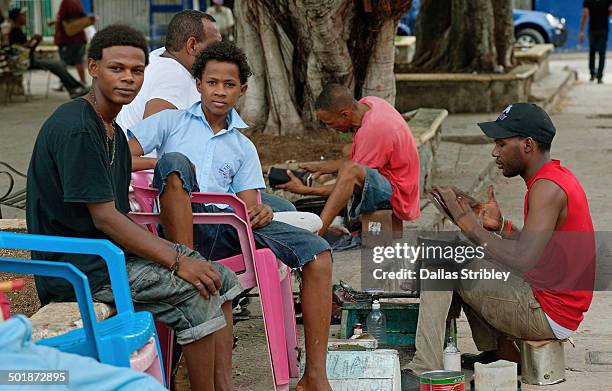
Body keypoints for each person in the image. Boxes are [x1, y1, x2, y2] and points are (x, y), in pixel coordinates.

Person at [25, 25, 242, 391]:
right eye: (117, 68)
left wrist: (177, 255)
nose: (128, 78)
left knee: (219, 277)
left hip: (109, 259)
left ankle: (219, 383)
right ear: (93, 67)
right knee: (198, 287)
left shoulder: (112, 130)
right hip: (80, 270)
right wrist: (176, 260)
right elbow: (106, 217)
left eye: (137, 70)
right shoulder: (78, 128)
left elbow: (121, 214)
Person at [127, 41, 333, 391]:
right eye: (212, 83)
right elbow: (123, 159)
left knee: (319, 253)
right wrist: (164, 163)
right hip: (179, 225)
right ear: (198, 84)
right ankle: (189, 271)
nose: (219, 92)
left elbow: (247, 205)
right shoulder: (169, 122)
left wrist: (262, 210)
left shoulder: (242, 146)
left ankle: (314, 376)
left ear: (242, 90)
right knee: (175, 163)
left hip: (226, 226)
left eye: (228, 85)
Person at [404, 103, 595, 374]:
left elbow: (524, 259)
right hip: (550, 302)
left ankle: (425, 368)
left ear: (528, 145)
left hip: (548, 312)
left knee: (443, 261)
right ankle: (500, 351)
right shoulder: (552, 178)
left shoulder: (547, 188)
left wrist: (469, 223)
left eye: (501, 144)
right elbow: (540, 248)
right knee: (461, 247)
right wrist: (500, 226)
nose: (495, 152)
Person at [117, 9, 295, 213]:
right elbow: (157, 137)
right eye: (214, 45)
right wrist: (169, 166)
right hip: (165, 187)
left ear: (242, 90)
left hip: (187, 182)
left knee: (275, 208)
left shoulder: (160, 57)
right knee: (283, 209)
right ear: (192, 45)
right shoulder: (173, 78)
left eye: (229, 85)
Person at [278, 83, 421, 235]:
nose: (329, 128)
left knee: (350, 171)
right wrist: (323, 167)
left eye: (330, 123)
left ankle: (317, 234)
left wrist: (305, 190)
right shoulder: (370, 103)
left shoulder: (373, 129)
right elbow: (358, 159)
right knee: (348, 152)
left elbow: (349, 181)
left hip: (399, 196)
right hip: (399, 181)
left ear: (345, 114)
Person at [7, 7, 87, 99]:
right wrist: (32, 40)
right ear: (17, 18)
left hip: (31, 59)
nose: (25, 18)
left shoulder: (19, 30)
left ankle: (75, 87)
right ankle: (75, 88)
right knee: (57, 65)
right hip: (26, 62)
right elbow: (18, 49)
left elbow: (28, 49)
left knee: (58, 64)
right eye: (23, 16)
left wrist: (36, 41)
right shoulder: (14, 32)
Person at [54, 0, 91, 85]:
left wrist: (56, 35)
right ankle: (83, 81)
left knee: (63, 62)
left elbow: (61, 18)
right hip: (80, 37)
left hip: (67, 38)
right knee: (79, 61)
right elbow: (79, 16)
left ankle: (63, 83)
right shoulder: (78, 2)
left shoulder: (65, 2)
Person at [579, 0, 612, 84]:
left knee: (592, 51)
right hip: (603, 29)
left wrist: (582, 31)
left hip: (593, 29)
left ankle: (592, 74)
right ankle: (599, 76)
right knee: (602, 53)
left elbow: (585, 15)